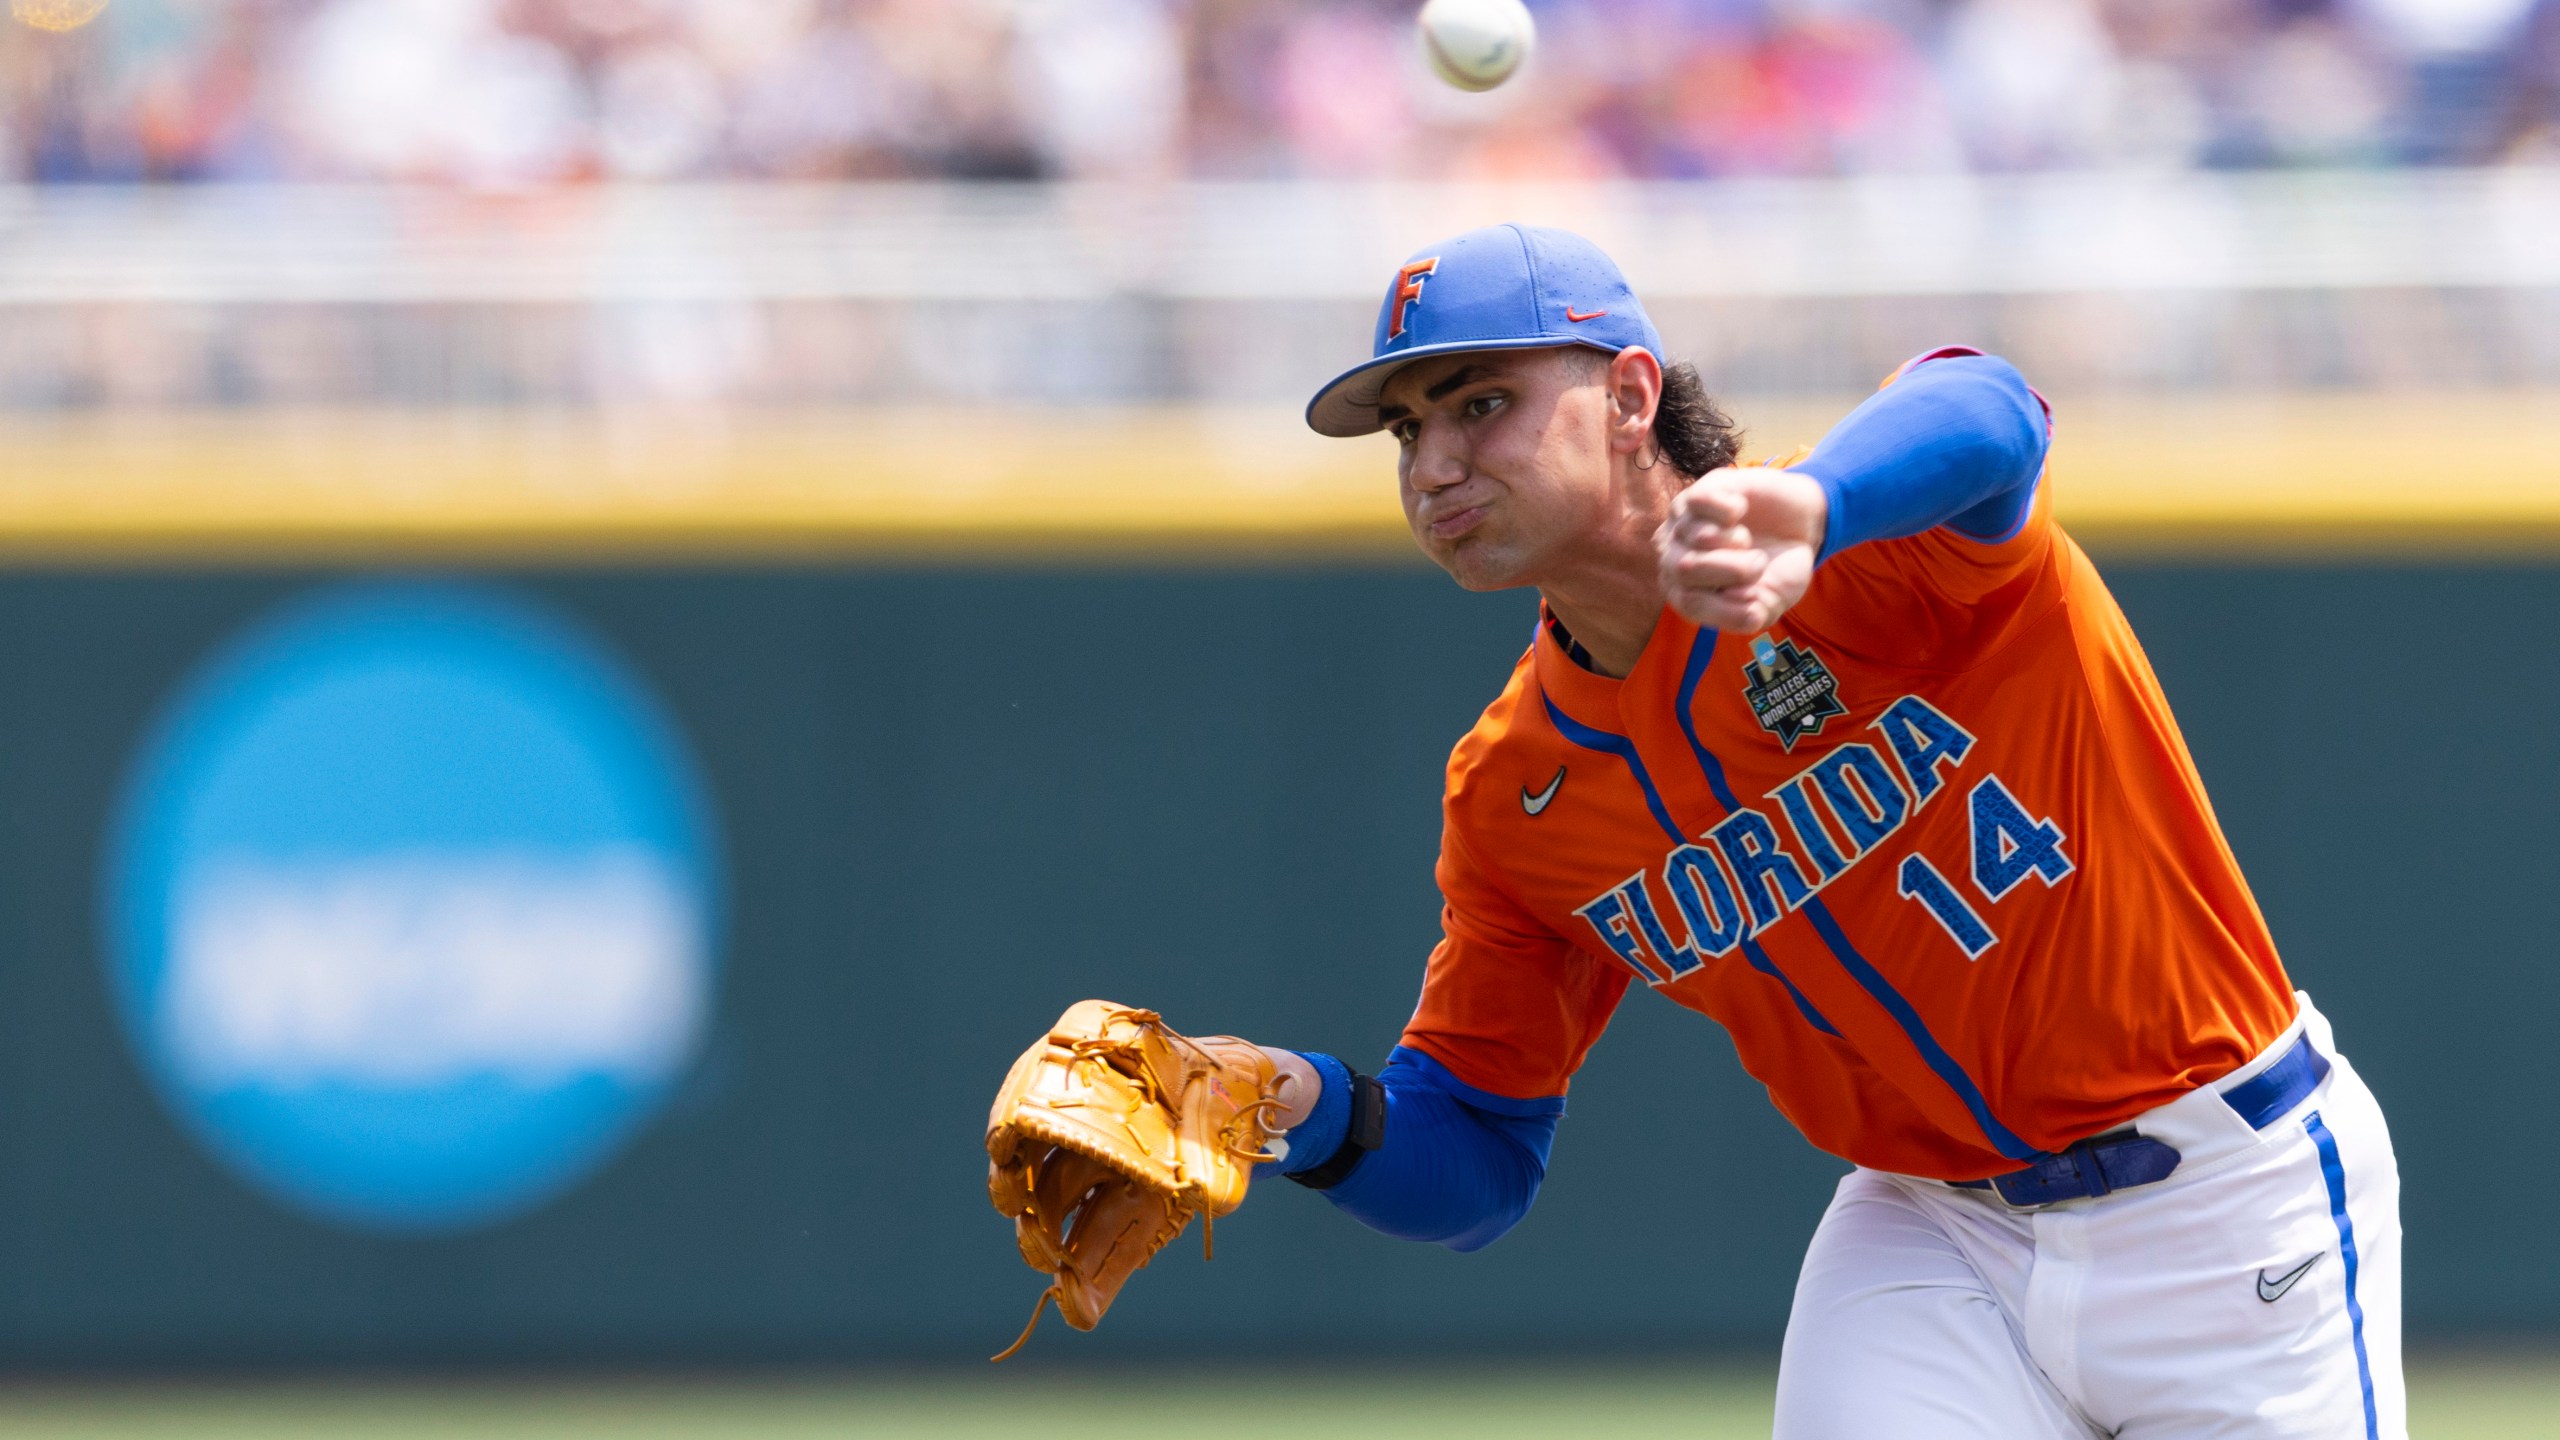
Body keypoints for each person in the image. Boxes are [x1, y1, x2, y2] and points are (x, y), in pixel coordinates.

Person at [1249, 223, 2404, 1438]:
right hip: (1933, 1235)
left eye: (1479, 403)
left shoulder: (1874, 539)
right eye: (1407, 432)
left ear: (1631, 395)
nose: (1433, 465)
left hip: (2228, 1193)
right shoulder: (1514, 794)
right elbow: (1475, 1154)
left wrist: (1814, 504)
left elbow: (1991, 403)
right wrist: (1287, 1106)